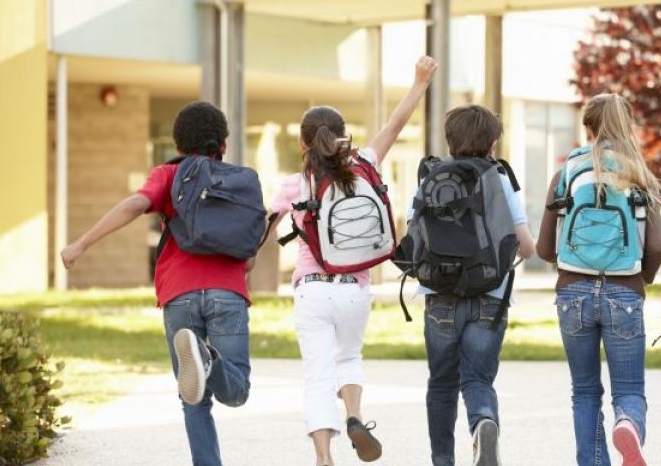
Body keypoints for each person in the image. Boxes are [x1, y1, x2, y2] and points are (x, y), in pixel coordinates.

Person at [61, 102, 256, 465]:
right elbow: (249, 258)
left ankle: (204, 362)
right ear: (224, 144)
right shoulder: (239, 181)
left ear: (178, 145)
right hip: (227, 292)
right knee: (238, 391)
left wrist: (82, 243)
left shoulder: (168, 174)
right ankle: (209, 360)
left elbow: (136, 204)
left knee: (192, 398)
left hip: (179, 293)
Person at [268, 56, 438, 466]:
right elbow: (396, 125)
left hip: (312, 289)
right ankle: (356, 416)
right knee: (349, 358)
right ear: (344, 138)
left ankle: (324, 458)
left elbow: (263, 234)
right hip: (355, 291)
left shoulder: (295, 184)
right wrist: (419, 82)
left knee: (318, 374)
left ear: (302, 144)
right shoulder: (365, 164)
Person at [537, 93, 661, 466]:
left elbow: (546, 248)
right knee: (628, 389)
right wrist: (642, 276)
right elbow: (656, 243)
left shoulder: (567, 171)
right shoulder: (638, 173)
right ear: (627, 127)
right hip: (623, 292)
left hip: (572, 291)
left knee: (585, 391)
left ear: (587, 128)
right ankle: (626, 424)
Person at [407, 104, 535, 466]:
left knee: (442, 383)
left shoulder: (429, 178)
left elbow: (413, 239)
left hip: (440, 297)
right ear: (493, 142)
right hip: (490, 296)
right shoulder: (500, 179)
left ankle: (443, 460)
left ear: (449, 140)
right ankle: (483, 421)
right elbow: (526, 247)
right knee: (477, 379)